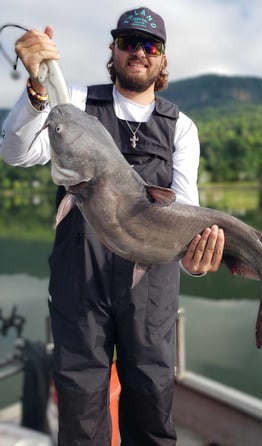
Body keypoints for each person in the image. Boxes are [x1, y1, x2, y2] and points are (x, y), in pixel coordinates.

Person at [0, 7, 224, 446]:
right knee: (81, 417)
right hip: (78, 282)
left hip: (151, 288)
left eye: (150, 45)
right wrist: (36, 89)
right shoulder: (76, 102)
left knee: (152, 409)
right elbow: (16, 153)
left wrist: (198, 262)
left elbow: (187, 217)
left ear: (162, 59)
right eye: (128, 42)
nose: (139, 52)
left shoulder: (182, 128)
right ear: (114, 50)